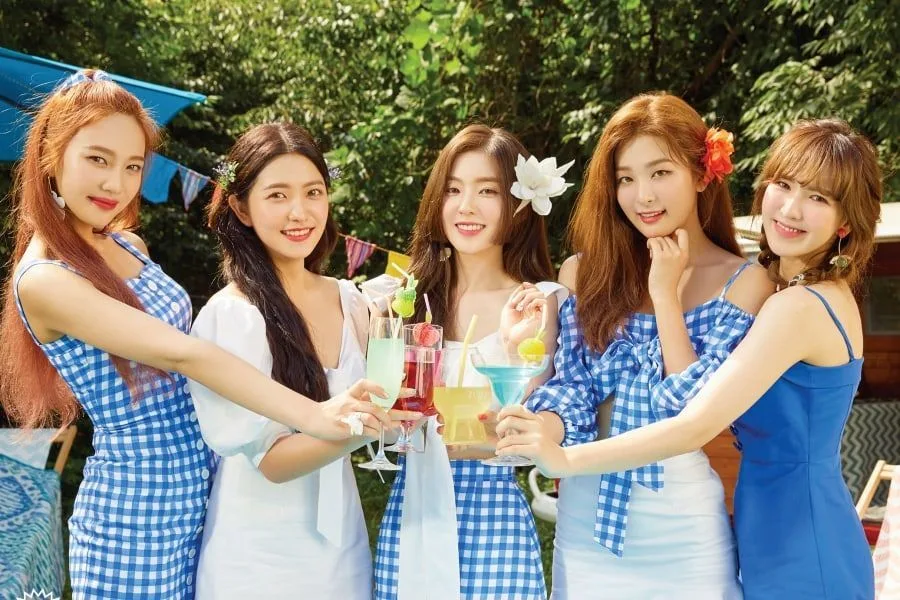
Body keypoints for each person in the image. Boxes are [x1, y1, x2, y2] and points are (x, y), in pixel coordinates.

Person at [0, 71, 391, 598]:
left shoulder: (126, 244)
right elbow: (185, 354)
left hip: (197, 498)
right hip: (137, 510)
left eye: (132, 165)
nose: (116, 183)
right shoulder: (45, 280)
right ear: (51, 155)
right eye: (97, 159)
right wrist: (318, 415)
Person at [498, 118, 880, 599]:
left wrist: (564, 459)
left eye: (818, 198)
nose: (791, 208)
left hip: (805, 537)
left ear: (845, 222)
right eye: (783, 185)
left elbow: (693, 424)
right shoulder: (797, 293)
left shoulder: (798, 306)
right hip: (770, 527)